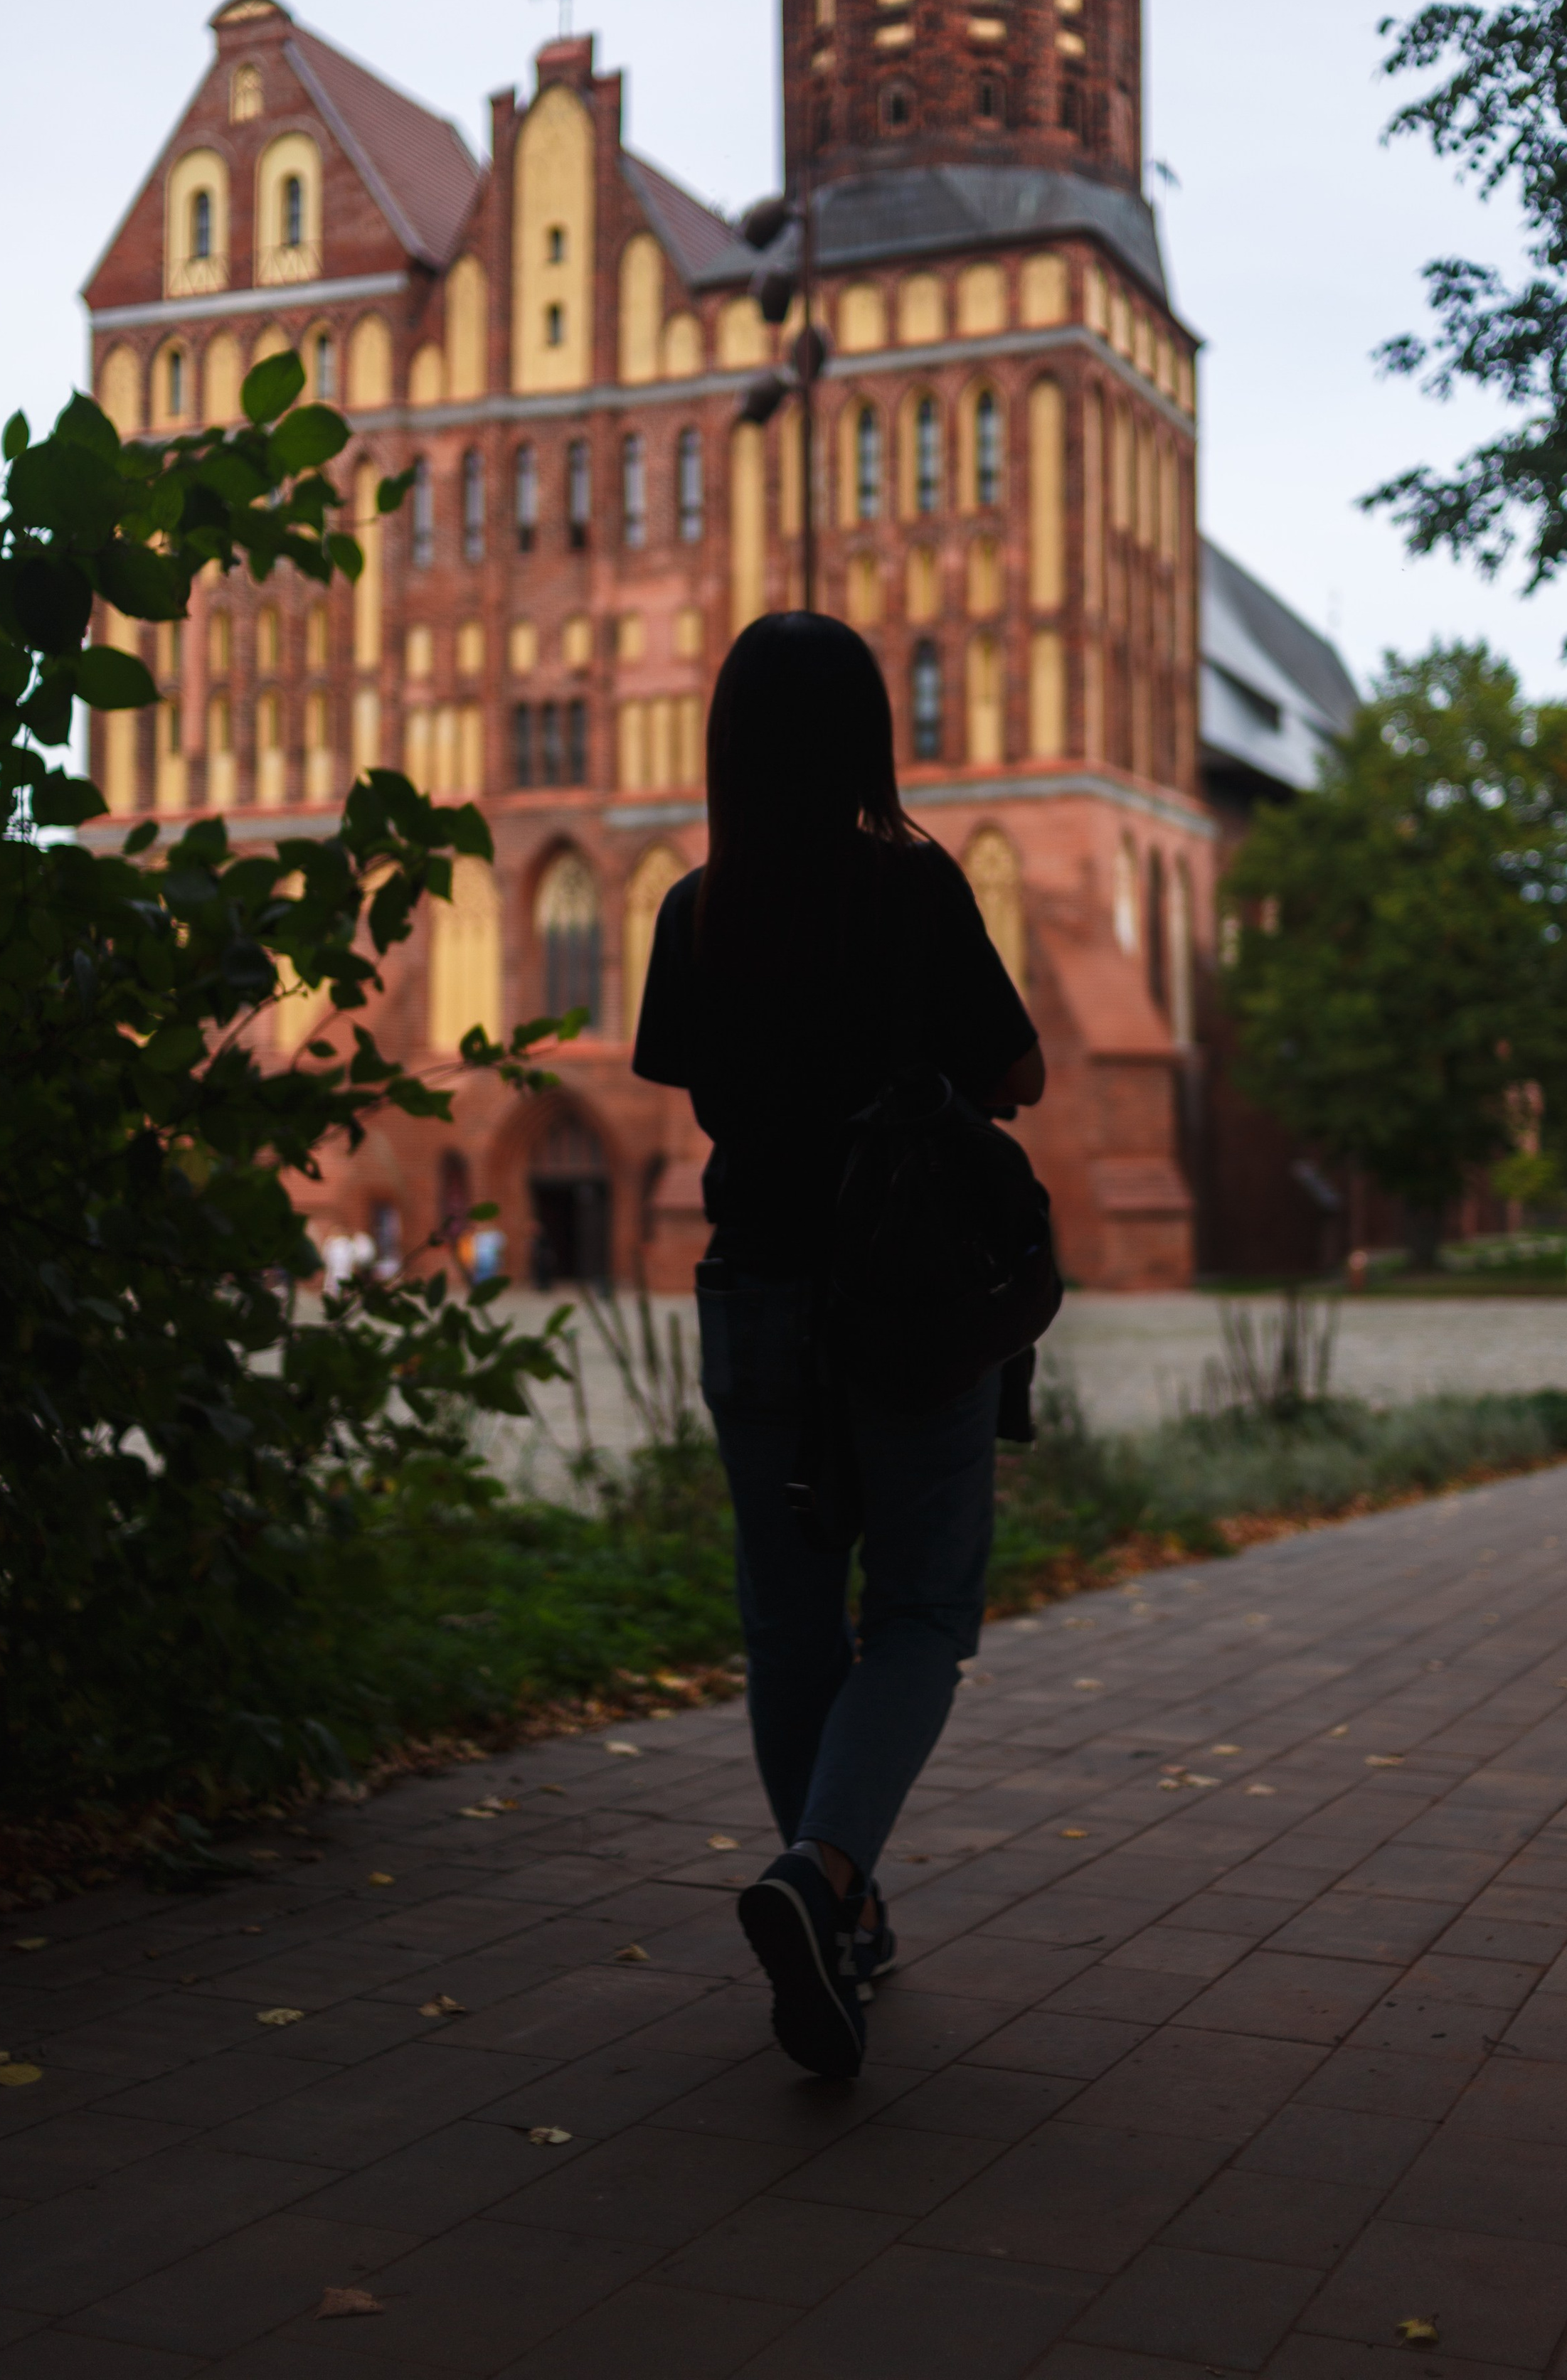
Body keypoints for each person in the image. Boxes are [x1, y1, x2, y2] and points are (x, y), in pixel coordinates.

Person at [634, 613, 1045, 2081]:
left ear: (727, 749)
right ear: (868, 738)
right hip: (907, 1304)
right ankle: (821, 1875)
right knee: (922, 1610)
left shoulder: (696, 909)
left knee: (787, 1621)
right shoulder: (914, 885)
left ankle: (840, 1918)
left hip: (753, 1298)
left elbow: (689, 1087)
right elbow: (1021, 1073)